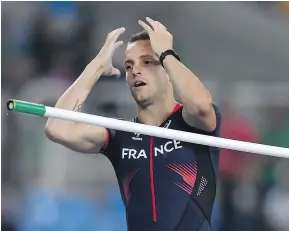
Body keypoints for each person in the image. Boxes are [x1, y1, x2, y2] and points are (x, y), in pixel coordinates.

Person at [45, 17, 221, 231]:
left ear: (168, 68)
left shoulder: (192, 122)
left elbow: (201, 106)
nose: (135, 70)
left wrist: (166, 52)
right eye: (129, 66)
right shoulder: (121, 135)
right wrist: (96, 67)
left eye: (147, 62)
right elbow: (57, 128)